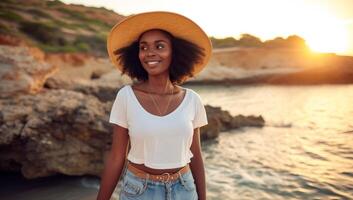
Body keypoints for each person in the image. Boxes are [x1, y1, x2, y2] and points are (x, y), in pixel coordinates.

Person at [96, 11, 212, 200]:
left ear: (175, 52)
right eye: (144, 47)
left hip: (184, 188)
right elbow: (117, 156)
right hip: (139, 190)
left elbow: (196, 156)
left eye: (159, 46)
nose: (150, 52)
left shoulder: (192, 100)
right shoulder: (126, 96)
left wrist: (202, 198)